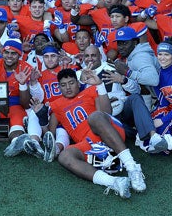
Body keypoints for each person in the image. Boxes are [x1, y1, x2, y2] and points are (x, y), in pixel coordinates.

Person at [47, 68, 146, 198]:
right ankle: (114, 182)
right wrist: (41, 117)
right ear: (59, 87)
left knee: (94, 117)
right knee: (64, 156)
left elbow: (106, 112)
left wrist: (100, 85)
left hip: (108, 131)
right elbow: (50, 134)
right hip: (90, 146)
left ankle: (132, 168)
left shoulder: (90, 91)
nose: (68, 87)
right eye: (63, 85)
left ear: (78, 83)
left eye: (71, 83)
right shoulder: (56, 105)